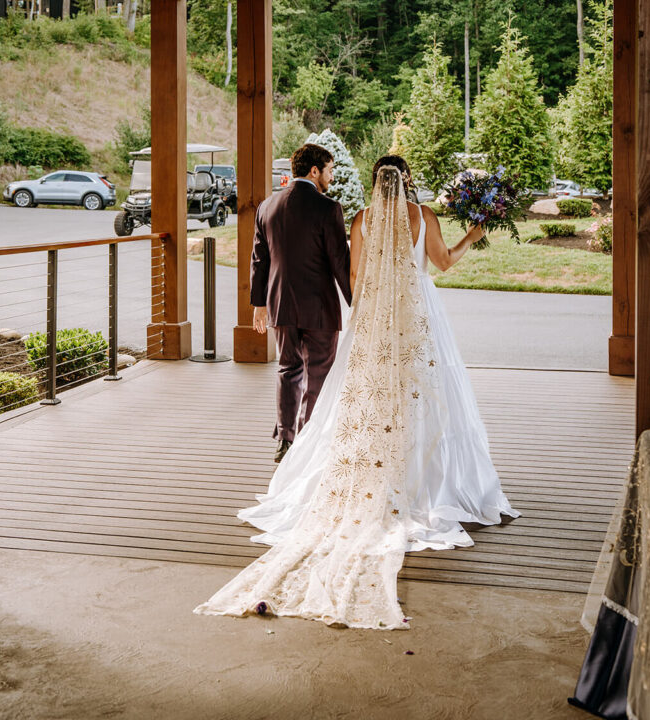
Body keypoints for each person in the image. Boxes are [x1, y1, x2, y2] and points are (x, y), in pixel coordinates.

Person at [195, 157, 519, 629]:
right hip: (420, 316)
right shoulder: (423, 215)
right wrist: (475, 232)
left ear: (374, 182)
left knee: (366, 396)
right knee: (425, 395)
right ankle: (422, 477)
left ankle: (360, 459)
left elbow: (356, 281)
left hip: (375, 320)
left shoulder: (363, 220)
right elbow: (444, 263)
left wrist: (368, 308)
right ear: (407, 180)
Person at [250, 143, 351, 464]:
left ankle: (285, 438)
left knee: (287, 370)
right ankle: (308, 439)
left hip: (280, 305)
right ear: (314, 171)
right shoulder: (328, 209)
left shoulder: (267, 206)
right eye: (330, 170)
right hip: (319, 308)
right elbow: (340, 263)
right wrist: (358, 303)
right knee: (318, 373)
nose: (332, 177)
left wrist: (258, 304)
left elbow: (259, 261)